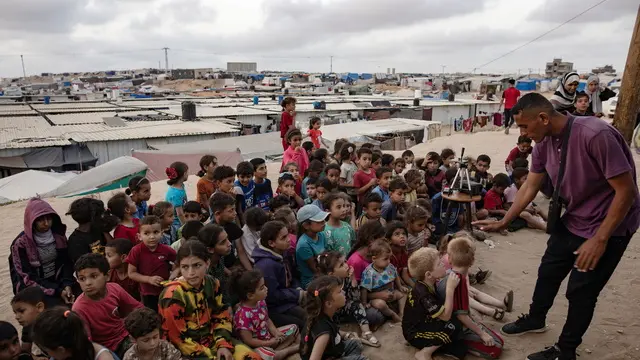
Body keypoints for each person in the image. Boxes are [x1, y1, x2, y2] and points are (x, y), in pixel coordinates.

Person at [474, 93, 640, 360]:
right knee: (549, 271)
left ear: (543, 118)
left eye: (525, 126)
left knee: (581, 290)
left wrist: (600, 239)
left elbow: (626, 192)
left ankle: (566, 350)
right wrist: (504, 220)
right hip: (574, 217)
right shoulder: (543, 142)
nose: (523, 133)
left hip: (609, 226)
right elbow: (531, 185)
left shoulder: (595, 135)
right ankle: (535, 319)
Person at [158, 240, 260, 360]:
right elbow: (177, 339)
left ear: (207, 263)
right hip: (186, 351)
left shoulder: (212, 283)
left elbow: (221, 315)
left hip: (214, 340)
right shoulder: (172, 295)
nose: (191, 273)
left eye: (197, 265)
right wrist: (210, 356)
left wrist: (223, 344)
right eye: (185, 267)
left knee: (253, 357)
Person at [436, 237, 504, 358]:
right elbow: (461, 315)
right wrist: (481, 333)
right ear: (472, 261)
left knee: (498, 341)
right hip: (452, 327)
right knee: (497, 348)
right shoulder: (458, 281)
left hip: (449, 322)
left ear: (450, 259)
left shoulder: (450, 275)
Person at [72, 253, 143, 357]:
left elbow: (138, 309)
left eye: (94, 276)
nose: (88, 283)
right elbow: (86, 343)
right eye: (82, 278)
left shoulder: (115, 289)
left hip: (126, 336)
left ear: (107, 275)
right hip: (105, 349)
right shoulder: (79, 309)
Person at [9, 198, 75, 306]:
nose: (46, 223)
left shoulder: (58, 237)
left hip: (58, 282)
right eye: (40, 220)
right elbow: (26, 276)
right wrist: (57, 291)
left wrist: (67, 285)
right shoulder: (20, 244)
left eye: (49, 218)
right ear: (32, 221)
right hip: (33, 287)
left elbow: (66, 262)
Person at [403, 247, 463, 360]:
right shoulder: (423, 294)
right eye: (439, 264)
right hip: (415, 333)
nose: (444, 264)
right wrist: (450, 288)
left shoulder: (427, 283)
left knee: (456, 323)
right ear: (429, 274)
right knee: (451, 327)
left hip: (424, 322)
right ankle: (424, 353)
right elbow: (445, 317)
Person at [231, 269, 300, 360]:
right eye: (262, 288)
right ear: (250, 295)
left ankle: (293, 348)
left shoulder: (261, 302)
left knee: (293, 329)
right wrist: (268, 343)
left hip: (269, 338)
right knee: (267, 355)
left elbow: (266, 319)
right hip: (257, 347)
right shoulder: (243, 315)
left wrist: (275, 332)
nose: (266, 289)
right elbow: (248, 340)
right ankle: (291, 349)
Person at [317, 252, 382, 347]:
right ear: (331, 274)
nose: (346, 266)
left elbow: (356, 298)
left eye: (345, 262)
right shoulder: (325, 288)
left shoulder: (346, 278)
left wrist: (353, 279)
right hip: (332, 314)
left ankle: (367, 333)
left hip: (346, 310)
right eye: (341, 265)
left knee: (370, 313)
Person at [252, 221, 306, 330]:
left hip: (288, 299)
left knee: (313, 313)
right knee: (304, 322)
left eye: (288, 234)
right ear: (271, 243)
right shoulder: (266, 266)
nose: (289, 239)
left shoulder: (283, 252)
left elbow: (293, 275)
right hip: (275, 308)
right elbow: (272, 296)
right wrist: (297, 294)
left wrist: (298, 288)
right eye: (283, 237)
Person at [299, 276, 368, 360]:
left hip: (333, 351)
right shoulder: (323, 333)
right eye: (339, 292)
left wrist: (346, 334)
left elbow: (333, 330)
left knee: (355, 344)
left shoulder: (324, 315)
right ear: (328, 304)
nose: (343, 292)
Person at [127, 216, 177, 311]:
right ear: (139, 236)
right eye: (146, 233)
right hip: (147, 293)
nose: (152, 237)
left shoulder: (167, 250)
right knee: (152, 315)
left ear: (161, 233)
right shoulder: (136, 251)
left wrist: (173, 275)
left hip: (167, 290)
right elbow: (131, 273)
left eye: (155, 232)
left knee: (168, 312)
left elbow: (179, 263)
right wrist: (149, 279)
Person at [32, 308, 118, 360]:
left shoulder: (104, 357)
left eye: (47, 351)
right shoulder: (68, 352)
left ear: (61, 349)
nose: (49, 356)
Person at [359, 240, 408, 323]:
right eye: (385, 259)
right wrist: (364, 302)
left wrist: (400, 287)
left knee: (403, 295)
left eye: (390, 258)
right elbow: (364, 289)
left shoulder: (390, 266)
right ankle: (392, 314)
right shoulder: (369, 272)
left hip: (391, 293)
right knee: (380, 304)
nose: (389, 261)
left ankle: (402, 313)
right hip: (376, 297)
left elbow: (396, 276)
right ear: (374, 259)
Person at [66, 198, 117, 265]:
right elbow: (84, 265)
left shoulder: (97, 228)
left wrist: (104, 230)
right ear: (94, 216)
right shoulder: (75, 241)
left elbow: (113, 247)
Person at [197, 223, 233, 306]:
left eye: (227, 239)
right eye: (223, 242)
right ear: (210, 249)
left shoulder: (220, 257)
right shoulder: (204, 272)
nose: (229, 243)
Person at [296, 204, 329, 288]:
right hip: (312, 281)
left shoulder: (321, 234)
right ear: (306, 225)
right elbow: (315, 270)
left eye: (324, 220)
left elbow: (326, 254)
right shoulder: (303, 245)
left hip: (324, 273)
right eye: (319, 221)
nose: (324, 223)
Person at [209, 192, 243, 270]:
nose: (235, 213)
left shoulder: (233, 227)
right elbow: (213, 260)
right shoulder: (210, 232)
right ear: (218, 213)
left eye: (234, 209)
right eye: (231, 210)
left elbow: (240, 251)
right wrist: (229, 273)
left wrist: (249, 270)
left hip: (232, 264)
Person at [11, 287, 46, 357]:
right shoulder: (28, 326)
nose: (17, 317)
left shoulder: (56, 323)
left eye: (21, 311)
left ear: (39, 307)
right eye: (15, 313)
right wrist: (35, 358)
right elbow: (25, 351)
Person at [322, 193, 356, 257]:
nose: (344, 210)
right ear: (328, 211)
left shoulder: (347, 226)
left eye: (343, 206)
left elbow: (353, 242)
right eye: (339, 207)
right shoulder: (324, 231)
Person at [432, 169, 464, 237]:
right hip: (440, 224)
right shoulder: (437, 198)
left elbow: (460, 216)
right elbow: (434, 219)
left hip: (454, 226)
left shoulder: (459, 196)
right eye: (455, 184)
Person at [386, 222, 414, 288]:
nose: (402, 236)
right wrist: (404, 286)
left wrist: (414, 287)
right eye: (397, 234)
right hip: (390, 282)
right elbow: (396, 276)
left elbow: (404, 274)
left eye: (404, 234)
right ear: (389, 240)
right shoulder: (388, 255)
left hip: (400, 280)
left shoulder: (404, 253)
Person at [165, 161, 189, 231]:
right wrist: (186, 227)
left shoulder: (180, 186)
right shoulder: (176, 193)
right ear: (184, 174)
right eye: (187, 172)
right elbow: (179, 214)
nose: (188, 174)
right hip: (177, 223)